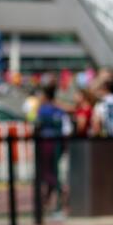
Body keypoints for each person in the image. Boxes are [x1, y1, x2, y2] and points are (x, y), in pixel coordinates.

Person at [33, 84, 69, 215]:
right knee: (52, 170)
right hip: (58, 142)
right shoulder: (59, 109)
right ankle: (47, 200)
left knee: (48, 172)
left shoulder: (43, 110)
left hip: (46, 143)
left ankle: (61, 193)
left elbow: (37, 123)